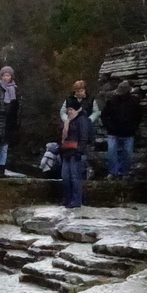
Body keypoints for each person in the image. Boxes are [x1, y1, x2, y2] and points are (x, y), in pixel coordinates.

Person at [58, 81, 92, 209]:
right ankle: (67, 199)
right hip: (67, 152)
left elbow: (84, 137)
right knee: (65, 177)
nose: (69, 112)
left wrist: (80, 151)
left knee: (75, 177)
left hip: (76, 152)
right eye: (68, 110)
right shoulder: (67, 122)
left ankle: (76, 200)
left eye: (71, 110)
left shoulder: (82, 120)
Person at [100, 85, 141, 181]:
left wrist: (133, 127)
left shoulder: (134, 102)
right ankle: (113, 172)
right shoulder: (112, 101)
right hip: (113, 132)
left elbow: (139, 116)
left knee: (127, 153)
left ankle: (125, 172)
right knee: (112, 152)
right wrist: (109, 126)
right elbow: (104, 115)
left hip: (128, 132)